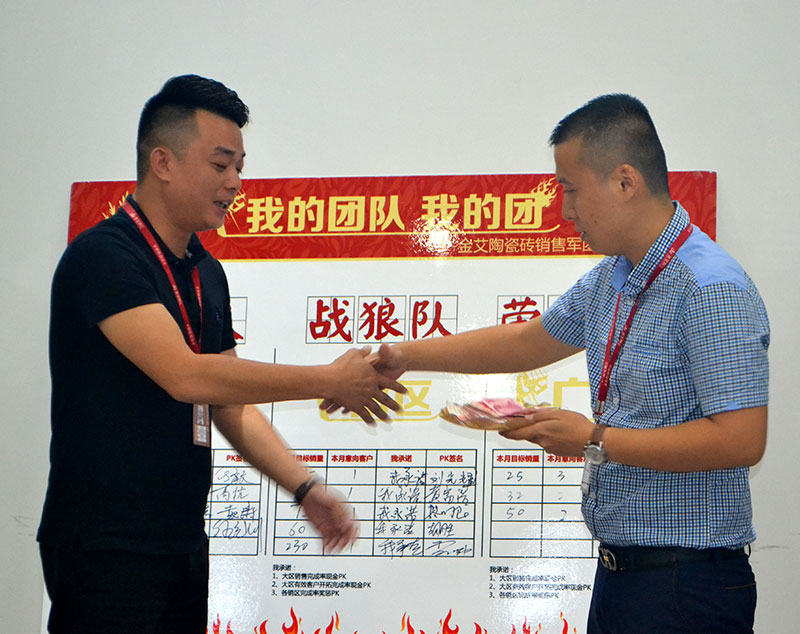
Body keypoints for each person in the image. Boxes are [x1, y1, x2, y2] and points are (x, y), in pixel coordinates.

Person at [367, 94, 769, 633]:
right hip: (621, 576)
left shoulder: (709, 286)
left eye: (571, 189)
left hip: (686, 585)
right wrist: (403, 355)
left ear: (625, 181)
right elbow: (526, 342)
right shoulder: (612, 279)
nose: (565, 209)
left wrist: (594, 439)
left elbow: (742, 440)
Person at [37, 74, 405, 633]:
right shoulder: (104, 258)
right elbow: (186, 377)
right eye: (220, 164)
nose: (235, 182)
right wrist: (327, 379)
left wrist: (305, 487)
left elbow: (227, 402)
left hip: (182, 541)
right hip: (105, 548)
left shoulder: (207, 272)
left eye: (240, 167)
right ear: (163, 162)